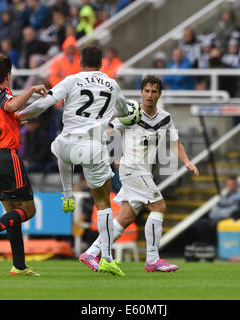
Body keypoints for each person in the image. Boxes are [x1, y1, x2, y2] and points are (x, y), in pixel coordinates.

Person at [17, 45, 140, 277]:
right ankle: (107, 258)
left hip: (66, 146)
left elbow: (44, 103)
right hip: (94, 149)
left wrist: (19, 116)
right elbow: (125, 112)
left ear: (81, 62)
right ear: (102, 63)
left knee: (58, 145)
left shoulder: (71, 79)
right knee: (103, 203)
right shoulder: (113, 85)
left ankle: (67, 194)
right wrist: (132, 112)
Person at [80, 76, 199, 272]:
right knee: (159, 206)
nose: (150, 95)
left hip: (144, 172)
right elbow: (111, 129)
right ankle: (152, 259)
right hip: (132, 169)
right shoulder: (131, 114)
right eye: (147, 91)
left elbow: (174, 141)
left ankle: (91, 252)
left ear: (159, 94)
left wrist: (186, 161)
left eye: (154, 91)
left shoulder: (165, 117)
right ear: (141, 93)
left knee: (125, 218)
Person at [0, 54, 47, 276]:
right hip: (6, 156)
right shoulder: (2, 93)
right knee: (28, 210)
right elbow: (11, 105)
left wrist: (12, 123)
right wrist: (30, 91)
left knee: (11, 211)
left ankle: (19, 265)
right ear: (8, 76)